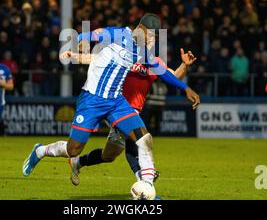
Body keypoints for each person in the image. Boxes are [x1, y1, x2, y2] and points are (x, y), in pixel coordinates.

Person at [21, 14, 200, 198]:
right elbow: (94, 34)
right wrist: (80, 41)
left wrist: (186, 88)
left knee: (144, 139)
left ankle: (147, 189)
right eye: (152, 35)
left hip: (116, 102)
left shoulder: (143, 53)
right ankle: (40, 151)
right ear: (142, 29)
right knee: (72, 149)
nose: (153, 40)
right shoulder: (118, 34)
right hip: (92, 100)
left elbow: (162, 72)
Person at [64, 47, 198, 185]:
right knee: (135, 139)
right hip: (116, 107)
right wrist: (75, 56)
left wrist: (184, 65)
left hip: (133, 111)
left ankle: (78, 162)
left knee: (109, 155)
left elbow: (174, 77)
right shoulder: (125, 56)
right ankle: (144, 180)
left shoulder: (155, 63)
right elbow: (95, 58)